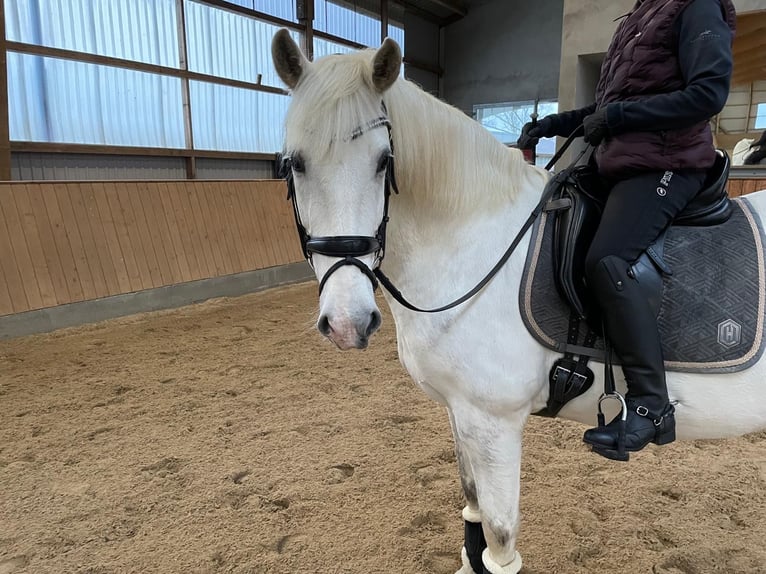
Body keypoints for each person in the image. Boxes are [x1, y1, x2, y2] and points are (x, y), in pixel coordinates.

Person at [518, 0, 737, 460]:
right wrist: (553, 125)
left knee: (608, 260)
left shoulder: (695, 8)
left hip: (670, 163)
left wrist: (616, 119)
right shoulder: (639, 18)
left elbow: (709, 94)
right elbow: (611, 106)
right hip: (623, 164)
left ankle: (652, 406)